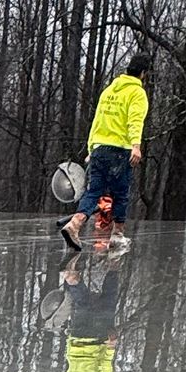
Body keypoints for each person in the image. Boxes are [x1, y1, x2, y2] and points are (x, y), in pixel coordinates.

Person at [62, 55, 150, 253]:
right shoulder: (137, 93)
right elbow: (135, 120)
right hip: (120, 150)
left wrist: (91, 149)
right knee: (120, 194)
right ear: (144, 73)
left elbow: (98, 120)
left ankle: (74, 225)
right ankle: (117, 235)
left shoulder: (109, 91)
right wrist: (136, 145)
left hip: (100, 148)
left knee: (93, 192)